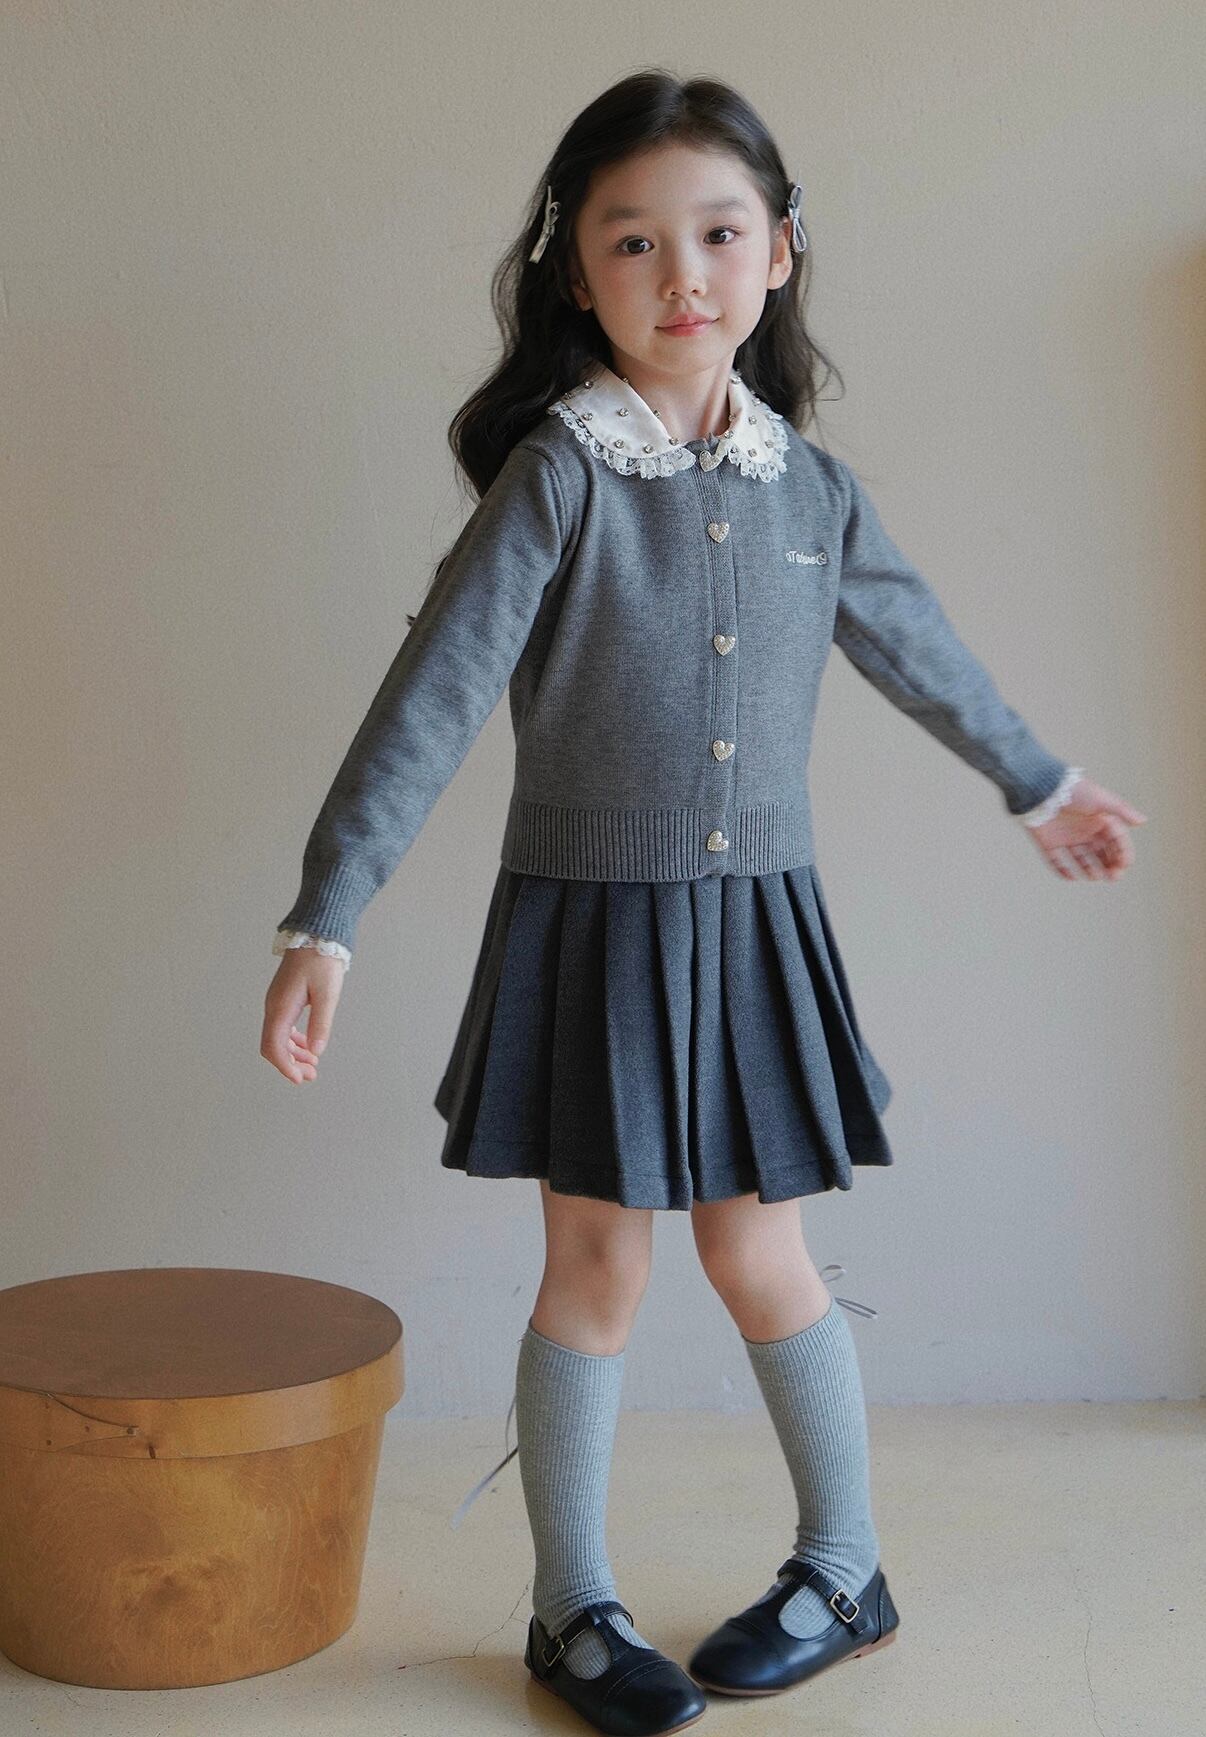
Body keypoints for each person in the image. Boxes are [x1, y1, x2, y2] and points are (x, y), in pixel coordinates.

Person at [260, 69, 1146, 1736]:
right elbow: (432, 697)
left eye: (719, 234)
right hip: (591, 925)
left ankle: (845, 1568)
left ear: (780, 251)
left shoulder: (810, 487)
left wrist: (1040, 782)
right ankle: (569, 1607)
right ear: (574, 272)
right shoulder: (558, 475)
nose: (683, 274)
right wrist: (329, 915)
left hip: (751, 930)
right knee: (594, 1259)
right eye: (633, 241)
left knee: (760, 1252)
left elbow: (915, 643)